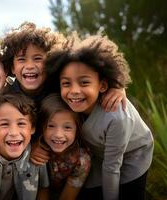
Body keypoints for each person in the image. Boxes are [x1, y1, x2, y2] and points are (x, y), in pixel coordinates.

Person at [45, 33, 154, 200]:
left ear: (103, 85)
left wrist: (119, 86)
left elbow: (112, 168)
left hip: (132, 155)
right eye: (66, 83)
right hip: (99, 153)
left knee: (126, 192)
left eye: (84, 82)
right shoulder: (68, 102)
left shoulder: (117, 116)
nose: (74, 90)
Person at [0, 22, 127, 164]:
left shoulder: (59, 83)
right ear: (12, 67)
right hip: (39, 151)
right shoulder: (9, 97)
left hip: (74, 148)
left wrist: (116, 86)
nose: (29, 66)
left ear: (50, 62)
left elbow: (97, 66)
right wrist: (29, 147)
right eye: (21, 59)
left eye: (38, 58)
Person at [37, 93, 91, 200]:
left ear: (77, 129)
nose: (58, 134)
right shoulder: (36, 150)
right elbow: (41, 190)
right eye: (51, 126)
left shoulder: (81, 159)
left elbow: (67, 197)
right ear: (42, 127)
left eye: (67, 127)